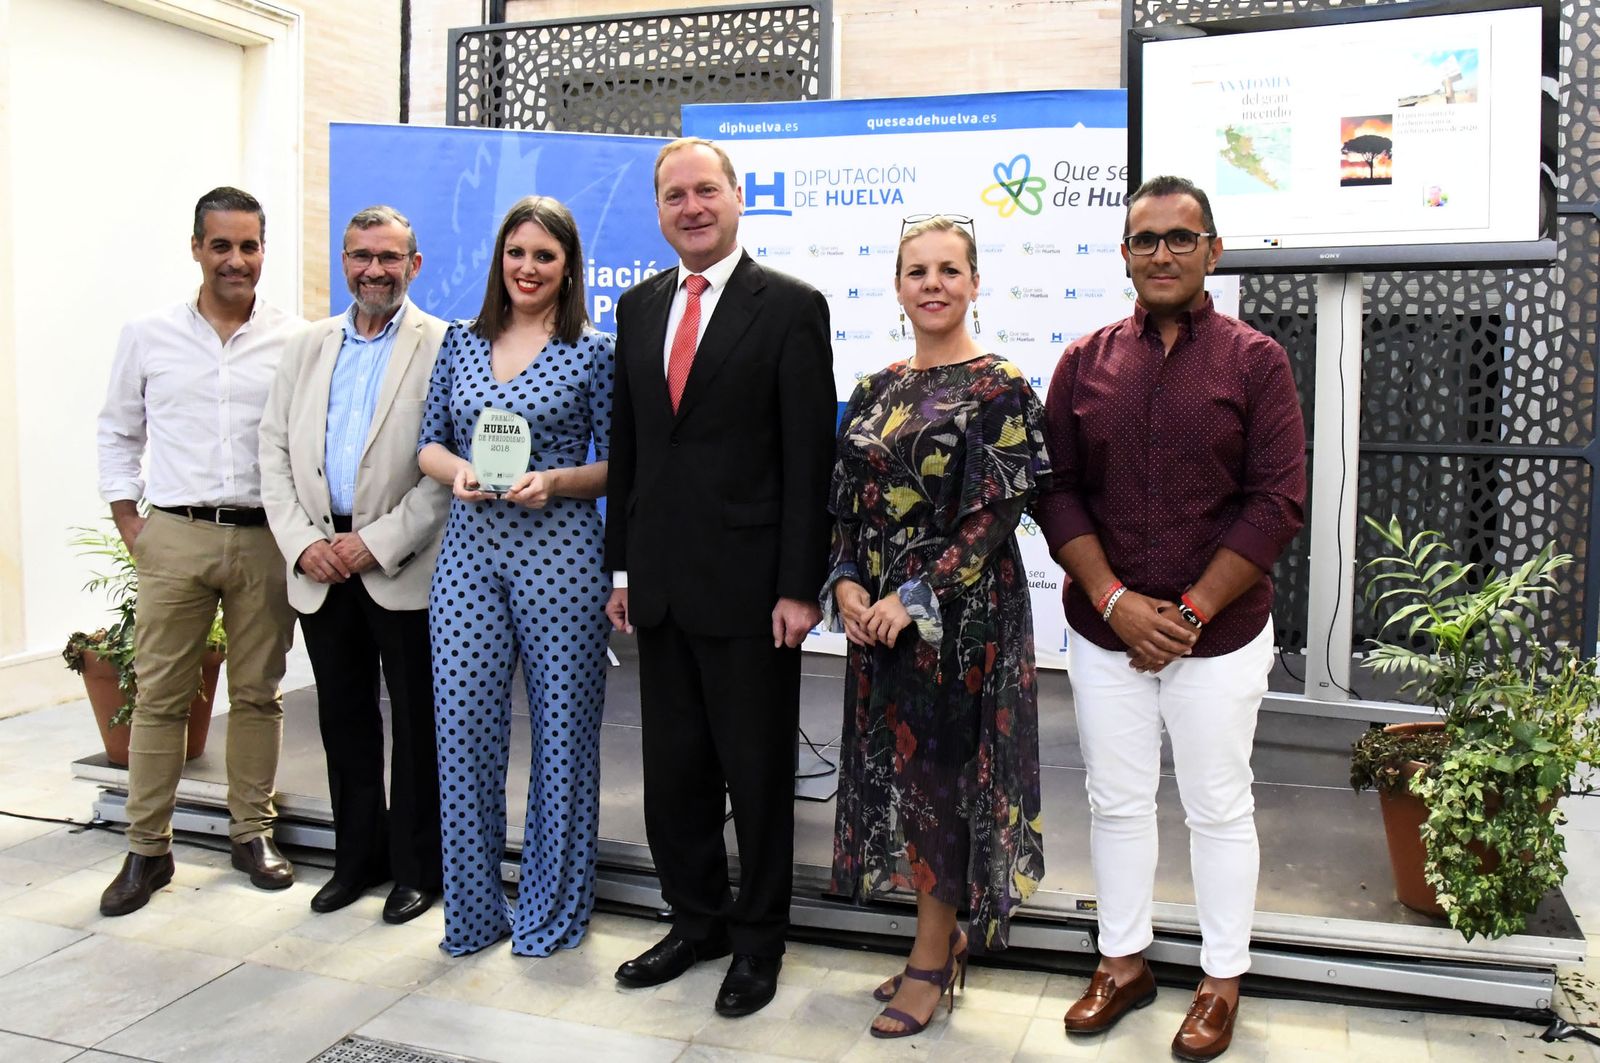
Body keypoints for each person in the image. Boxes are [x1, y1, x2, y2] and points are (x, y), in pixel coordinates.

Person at [1037, 175, 1306, 1062]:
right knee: (1115, 803)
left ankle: (1221, 979)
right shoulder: (1082, 362)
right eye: (1145, 239)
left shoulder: (1256, 362)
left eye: (1179, 238)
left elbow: (1275, 502)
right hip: (1103, 626)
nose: (1161, 253)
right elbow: (1056, 491)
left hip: (1218, 635)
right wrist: (1115, 600)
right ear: (1123, 255)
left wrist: (1187, 611)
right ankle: (1123, 963)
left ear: (1212, 251)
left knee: (1218, 806)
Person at [603, 137, 835, 1018]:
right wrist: (620, 566)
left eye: (706, 190)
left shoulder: (790, 307)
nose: (691, 207)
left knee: (757, 770)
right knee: (676, 772)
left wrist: (799, 585)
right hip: (658, 583)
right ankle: (693, 919)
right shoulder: (637, 307)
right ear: (658, 211)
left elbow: (808, 457)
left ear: (737, 197)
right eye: (674, 195)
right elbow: (630, 447)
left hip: (750, 591)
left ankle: (757, 941)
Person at [827, 214, 1051, 1039]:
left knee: (942, 786)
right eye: (917, 270)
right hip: (877, 624)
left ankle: (932, 958)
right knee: (902, 781)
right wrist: (846, 580)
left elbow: (994, 518)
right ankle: (937, 933)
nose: (933, 284)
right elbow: (846, 505)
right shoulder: (874, 388)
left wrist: (912, 596)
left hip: (959, 625)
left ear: (975, 282)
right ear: (895, 285)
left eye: (949, 270)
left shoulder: (1001, 387)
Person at [417, 195, 614, 957]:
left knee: (563, 735)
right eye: (517, 253)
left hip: (560, 553)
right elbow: (427, 445)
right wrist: (460, 470)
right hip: (469, 553)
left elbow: (618, 465)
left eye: (545, 256)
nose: (527, 268)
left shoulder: (592, 351)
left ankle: (551, 912)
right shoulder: (463, 344)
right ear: (500, 260)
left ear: (568, 269)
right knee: (461, 732)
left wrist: (556, 481)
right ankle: (472, 912)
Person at [96, 186, 301, 916]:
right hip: (174, 533)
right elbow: (119, 429)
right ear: (196, 248)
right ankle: (146, 850)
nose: (236, 260)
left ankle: (252, 832)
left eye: (249, 246)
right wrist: (130, 520)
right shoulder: (149, 334)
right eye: (222, 245)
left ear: (262, 251)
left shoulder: (293, 337)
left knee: (257, 692)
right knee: (158, 697)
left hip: (263, 540)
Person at [259, 205, 450, 924]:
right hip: (319, 562)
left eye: (390, 257)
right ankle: (356, 859)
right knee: (342, 718)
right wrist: (302, 540)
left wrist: (376, 540)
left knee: (417, 723)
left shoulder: (445, 344)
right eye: (361, 255)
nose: (375, 269)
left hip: (399, 562)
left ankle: (414, 869)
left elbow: (444, 471)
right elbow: (272, 451)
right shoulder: (308, 345)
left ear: (415, 264)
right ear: (344, 261)